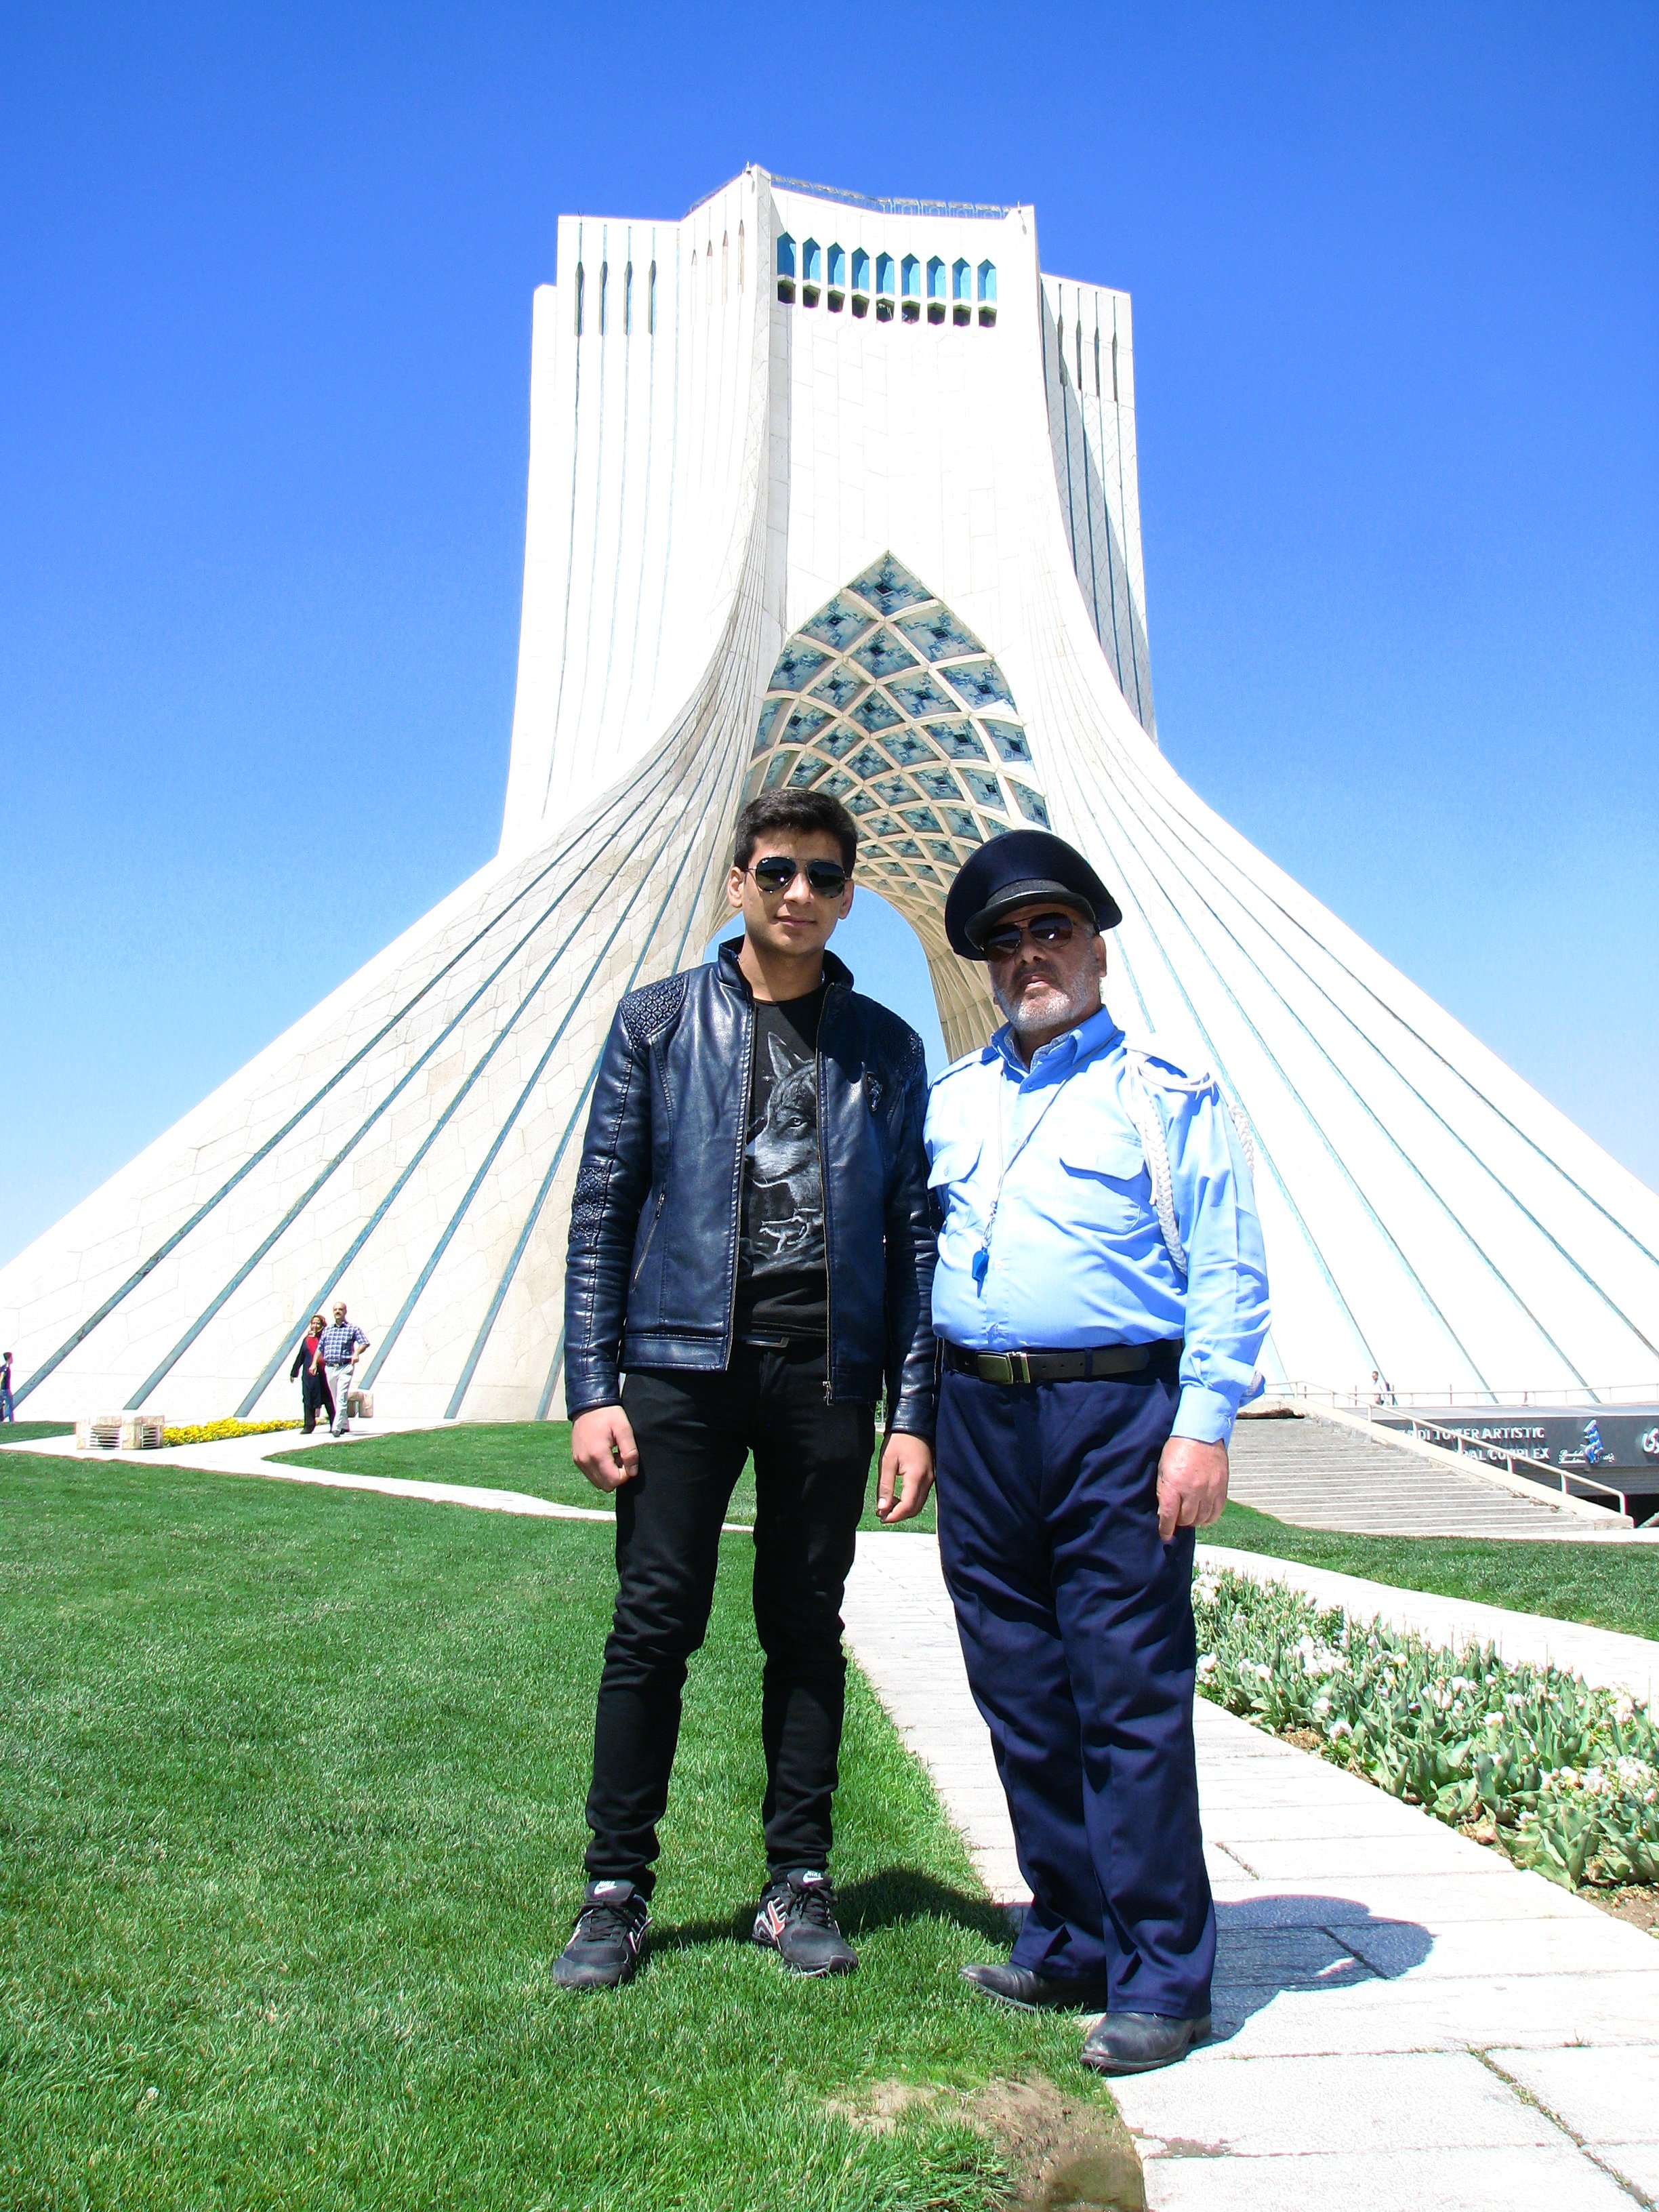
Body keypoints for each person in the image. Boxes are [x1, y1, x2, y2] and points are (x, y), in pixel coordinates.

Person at [554, 787, 937, 1992]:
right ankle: (614, 1890)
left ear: (846, 893)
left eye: (825, 876)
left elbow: (913, 1232)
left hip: (822, 1372)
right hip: (677, 1366)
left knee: (803, 1625)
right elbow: (604, 1207)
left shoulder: (884, 1046)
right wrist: (590, 1383)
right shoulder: (659, 1021)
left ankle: (796, 1880)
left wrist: (911, 1408)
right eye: (776, 869)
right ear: (736, 881)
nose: (798, 893)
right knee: (652, 1622)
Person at [925, 829, 1269, 2078]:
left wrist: (1202, 1424)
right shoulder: (953, 1099)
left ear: (1097, 948)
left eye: (1050, 930)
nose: (1029, 956)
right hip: (981, 1416)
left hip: (1117, 1417)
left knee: (1123, 1690)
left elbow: (1227, 1268)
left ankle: (1162, 1972)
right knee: (1017, 1683)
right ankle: (1068, 1931)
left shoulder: (1166, 1089)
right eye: (1005, 941)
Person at [314, 1302, 369, 1437]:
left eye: (340, 1309)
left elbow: (365, 1342)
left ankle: (337, 1427)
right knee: (335, 1398)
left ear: (345, 1311)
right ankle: (344, 1425)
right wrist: (314, 1363)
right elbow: (320, 1348)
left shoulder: (352, 1329)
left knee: (341, 1397)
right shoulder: (328, 1330)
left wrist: (356, 1353)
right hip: (330, 1368)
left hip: (345, 1367)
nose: (338, 1311)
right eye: (335, 1309)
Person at [291, 1315, 334, 1433]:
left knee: (327, 1400)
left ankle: (334, 1424)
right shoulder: (307, 1340)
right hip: (308, 1375)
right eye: (313, 1323)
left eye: (318, 1324)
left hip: (322, 1374)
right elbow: (301, 1356)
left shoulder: (326, 1339)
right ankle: (309, 1425)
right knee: (308, 1398)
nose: (315, 1326)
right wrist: (294, 1372)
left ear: (322, 1326)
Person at [1, 1351, 13, 1423]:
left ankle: (1, 1420)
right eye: (11, 1358)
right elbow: (2, 1378)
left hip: (2, 1389)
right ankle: (11, 1421)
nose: (12, 1359)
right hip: (5, 1389)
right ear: (9, 1359)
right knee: (10, 1405)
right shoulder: (6, 1368)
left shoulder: (3, 1367)